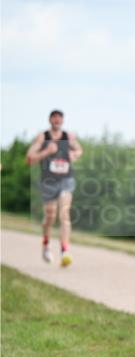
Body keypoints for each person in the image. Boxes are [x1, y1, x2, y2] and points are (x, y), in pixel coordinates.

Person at [25, 109, 83, 267]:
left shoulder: (68, 136)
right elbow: (29, 159)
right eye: (54, 117)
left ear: (62, 121)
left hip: (66, 180)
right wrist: (46, 151)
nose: (57, 120)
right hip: (48, 182)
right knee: (50, 217)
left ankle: (65, 251)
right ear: (50, 120)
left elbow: (79, 149)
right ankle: (46, 243)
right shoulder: (42, 137)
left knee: (64, 214)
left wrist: (75, 154)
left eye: (59, 118)